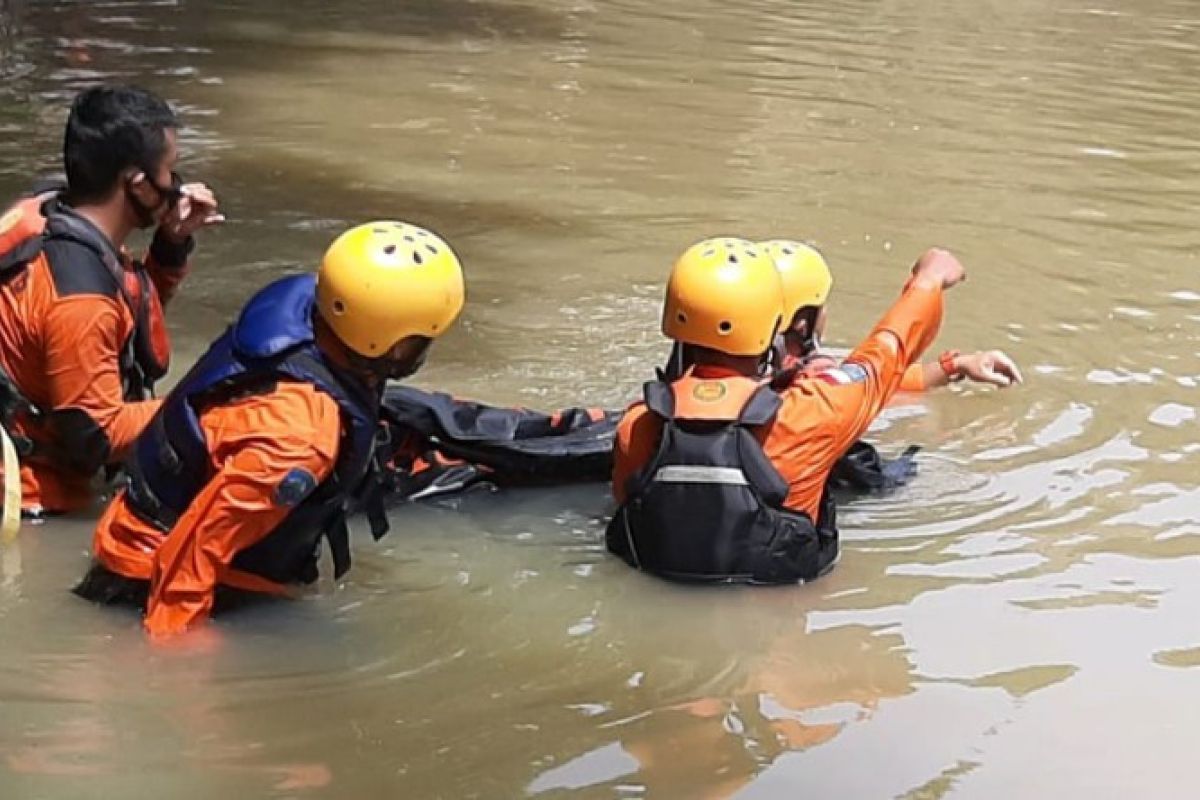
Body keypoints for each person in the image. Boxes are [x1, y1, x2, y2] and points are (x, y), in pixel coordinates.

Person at [75, 221, 463, 638]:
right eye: (422, 340)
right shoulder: (300, 441)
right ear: (391, 343)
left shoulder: (308, 308)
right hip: (148, 576)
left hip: (145, 531)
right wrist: (173, 658)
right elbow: (193, 555)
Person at [608, 237, 965, 584]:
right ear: (772, 320)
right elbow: (886, 353)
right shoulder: (810, 411)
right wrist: (928, 280)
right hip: (777, 627)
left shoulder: (637, 423)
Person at [0, 85, 222, 515]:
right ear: (138, 185)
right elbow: (97, 434)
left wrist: (171, 245)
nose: (175, 188)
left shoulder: (54, 216)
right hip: (31, 500)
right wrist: (209, 405)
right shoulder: (79, 300)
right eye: (169, 173)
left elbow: (124, 321)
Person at [759, 239, 1022, 390]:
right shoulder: (810, 394)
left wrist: (955, 366)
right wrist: (929, 279)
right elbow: (872, 377)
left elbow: (874, 380)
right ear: (802, 323)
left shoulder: (748, 383)